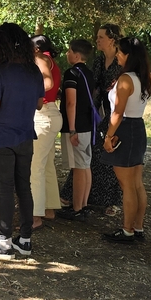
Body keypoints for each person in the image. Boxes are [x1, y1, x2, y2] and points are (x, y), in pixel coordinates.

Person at [0, 23, 45, 259]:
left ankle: (4, 241)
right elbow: (39, 103)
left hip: (3, 138)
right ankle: (25, 239)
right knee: (23, 186)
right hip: (26, 135)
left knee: (5, 189)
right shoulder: (34, 71)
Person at [58, 23, 124, 212]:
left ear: (112, 39)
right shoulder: (97, 61)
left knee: (109, 154)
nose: (97, 40)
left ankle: (110, 201)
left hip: (116, 111)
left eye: (101, 37)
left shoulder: (122, 61)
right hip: (97, 111)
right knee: (89, 154)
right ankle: (81, 198)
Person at [100, 37, 151, 244]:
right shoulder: (147, 77)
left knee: (127, 185)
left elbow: (118, 113)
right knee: (137, 183)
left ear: (128, 55)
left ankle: (127, 230)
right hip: (138, 128)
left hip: (125, 129)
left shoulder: (125, 80)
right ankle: (137, 226)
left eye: (120, 52)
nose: (118, 56)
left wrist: (109, 136)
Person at [56, 39, 96, 222]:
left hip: (76, 127)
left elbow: (71, 102)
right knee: (85, 166)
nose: (67, 53)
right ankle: (84, 204)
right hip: (88, 126)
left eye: (69, 51)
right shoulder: (89, 73)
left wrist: (72, 130)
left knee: (79, 168)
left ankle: (77, 208)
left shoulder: (71, 74)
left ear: (77, 55)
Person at [29, 35, 63, 229]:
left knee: (35, 167)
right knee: (47, 164)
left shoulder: (40, 59)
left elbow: (47, 84)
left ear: (37, 48)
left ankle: (34, 215)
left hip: (41, 115)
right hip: (51, 114)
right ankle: (48, 208)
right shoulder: (51, 60)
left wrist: (28, 92)